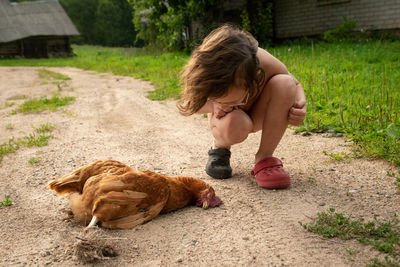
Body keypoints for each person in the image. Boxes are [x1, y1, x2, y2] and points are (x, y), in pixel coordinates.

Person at [178, 24, 306, 189]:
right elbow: (190, 104)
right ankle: (220, 147)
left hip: (257, 111)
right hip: (230, 121)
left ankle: (264, 158)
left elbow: (294, 82)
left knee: (285, 83)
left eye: (232, 101)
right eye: (220, 99)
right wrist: (214, 106)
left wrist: (301, 103)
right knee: (236, 124)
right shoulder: (203, 72)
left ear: (254, 78)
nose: (227, 105)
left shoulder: (259, 61)